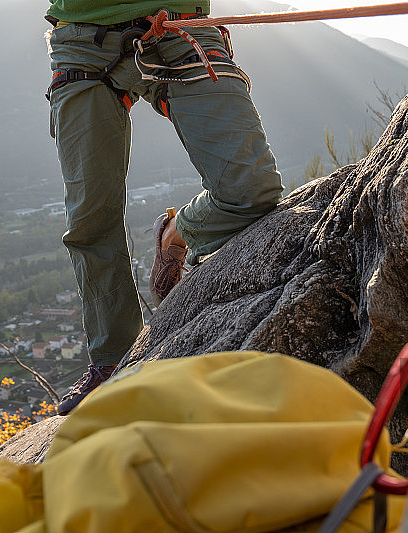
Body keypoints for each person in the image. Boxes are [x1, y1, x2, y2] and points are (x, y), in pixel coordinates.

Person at [45, 0, 283, 415]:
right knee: (90, 220)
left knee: (251, 190)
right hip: (84, 39)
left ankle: (177, 233)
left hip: (178, 27)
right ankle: (112, 360)